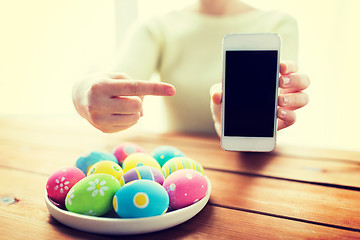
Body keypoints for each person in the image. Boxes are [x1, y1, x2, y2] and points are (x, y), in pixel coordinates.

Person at [72, 0, 310, 137]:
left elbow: (276, 109)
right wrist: (83, 92)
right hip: (179, 168)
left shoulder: (279, 24)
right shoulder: (157, 27)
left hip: (258, 172)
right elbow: (116, 80)